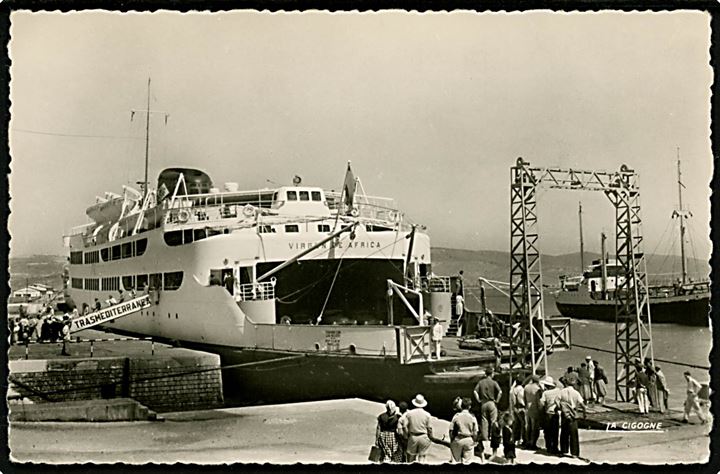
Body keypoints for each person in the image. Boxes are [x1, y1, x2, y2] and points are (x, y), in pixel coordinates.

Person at [473, 367, 502, 451]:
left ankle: (485, 438)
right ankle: (494, 437)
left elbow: (475, 391)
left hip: (483, 403)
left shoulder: (481, 382)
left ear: (485, 374)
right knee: (493, 421)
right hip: (492, 402)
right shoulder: (494, 382)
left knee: (484, 420)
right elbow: (500, 392)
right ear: (492, 374)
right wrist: (497, 400)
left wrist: (478, 399)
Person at [401, 394, 434, 462]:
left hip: (413, 437)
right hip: (424, 437)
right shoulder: (427, 415)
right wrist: (431, 438)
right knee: (422, 457)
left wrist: (406, 436)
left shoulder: (409, 414)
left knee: (411, 458)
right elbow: (429, 428)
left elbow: (404, 426)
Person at [558, 382, 586, 458]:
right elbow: (583, 405)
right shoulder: (576, 393)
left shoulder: (561, 391)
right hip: (573, 413)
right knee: (574, 434)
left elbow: (556, 401)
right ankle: (574, 453)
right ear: (574, 385)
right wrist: (584, 413)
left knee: (564, 433)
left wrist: (561, 408)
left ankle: (564, 451)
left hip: (565, 413)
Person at [449, 397, 479, 464]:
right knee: (467, 463)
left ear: (461, 406)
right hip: (468, 439)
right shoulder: (472, 417)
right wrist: (474, 440)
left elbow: (451, 430)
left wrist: (451, 440)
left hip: (458, 439)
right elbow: (475, 432)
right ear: (469, 407)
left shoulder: (456, 416)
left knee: (455, 461)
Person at [539, 377, 563, 455]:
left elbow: (541, 404)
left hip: (548, 413)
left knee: (547, 431)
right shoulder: (558, 391)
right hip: (555, 413)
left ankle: (549, 447)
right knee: (555, 432)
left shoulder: (545, 393)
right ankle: (555, 447)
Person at [523, 374, 543, 449]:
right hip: (535, 408)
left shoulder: (526, 387)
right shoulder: (537, 388)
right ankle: (533, 443)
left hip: (528, 408)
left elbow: (524, 398)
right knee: (535, 428)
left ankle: (528, 442)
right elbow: (539, 400)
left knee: (528, 426)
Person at [509, 377, 526, 446]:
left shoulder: (513, 390)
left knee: (516, 424)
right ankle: (521, 439)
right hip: (520, 407)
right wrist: (525, 405)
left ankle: (514, 438)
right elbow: (520, 399)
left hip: (514, 407)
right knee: (523, 424)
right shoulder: (520, 389)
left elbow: (511, 394)